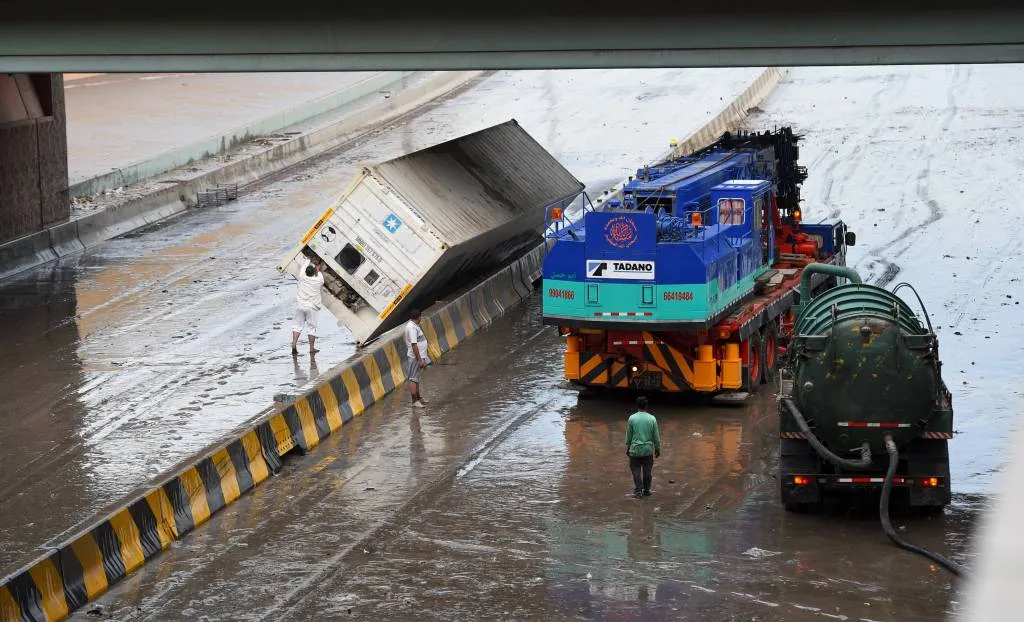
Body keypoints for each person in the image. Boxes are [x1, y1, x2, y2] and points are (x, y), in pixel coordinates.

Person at [626, 396, 661, 499]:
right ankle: (646, 490)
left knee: (636, 471)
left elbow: (629, 435)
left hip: (635, 450)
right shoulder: (652, 418)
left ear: (637, 405)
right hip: (648, 450)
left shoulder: (632, 418)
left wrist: (628, 447)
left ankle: (638, 491)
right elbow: (656, 436)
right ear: (647, 405)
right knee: (647, 472)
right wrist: (657, 448)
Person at [291, 255, 324, 356]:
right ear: (314, 273)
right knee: (311, 328)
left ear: (305, 272)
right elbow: (319, 273)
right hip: (312, 307)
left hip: (300, 306)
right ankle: (311, 348)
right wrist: (317, 268)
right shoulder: (319, 280)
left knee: (297, 326)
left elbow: (303, 267)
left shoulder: (302, 277)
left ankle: (294, 343)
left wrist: (308, 259)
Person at [404, 309, 430, 408]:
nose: (421, 318)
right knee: (414, 379)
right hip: (415, 357)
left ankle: (419, 398)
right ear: (418, 317)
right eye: (421, 317)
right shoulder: (412, 328)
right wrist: (419, 359)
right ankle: (415, 401)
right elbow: (414, 345)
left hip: (419, 356)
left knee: (417, 378)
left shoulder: (414, 326)